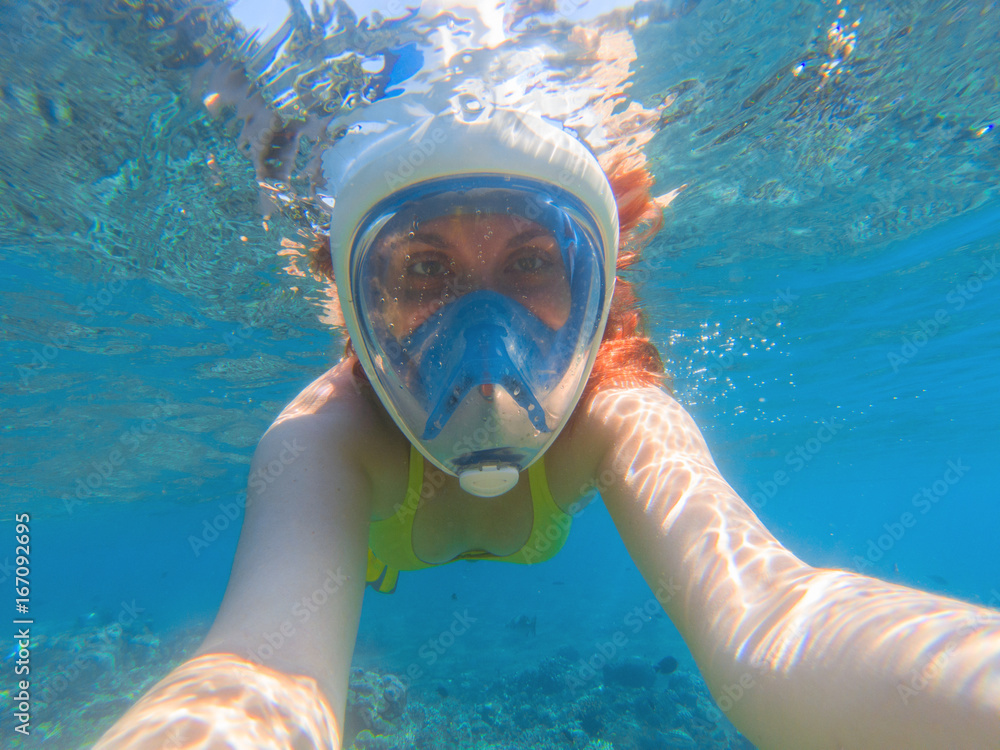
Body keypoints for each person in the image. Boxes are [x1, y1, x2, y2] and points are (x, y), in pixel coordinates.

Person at [96, 106, 1000, 750]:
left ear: (595, 299)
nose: (484, 343)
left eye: (532, 262)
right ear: (360, 314)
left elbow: (774, 622)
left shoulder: (617, 412)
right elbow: (261, 675)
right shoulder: (323, 439)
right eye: (422, 270)